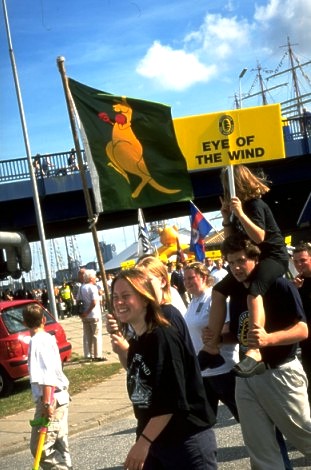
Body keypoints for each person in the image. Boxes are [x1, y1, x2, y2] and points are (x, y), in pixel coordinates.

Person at [214, 234, 311, 469]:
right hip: (246, 377)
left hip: (280, 373)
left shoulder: (280, 284)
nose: (236, 267)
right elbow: (242, 333)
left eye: (240, 260)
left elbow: (302, 329)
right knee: (260, 450)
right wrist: (219, 338)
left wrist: (268, 339)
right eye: (231, 262)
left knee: (306, 438)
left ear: (255, 259)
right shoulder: (237, 293)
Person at [111, 268, 217, 470]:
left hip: (185, 440)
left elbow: (171, 400)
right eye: (115, 297)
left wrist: (143, 443)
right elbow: (143, 383)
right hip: (156, 439)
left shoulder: (162, 336)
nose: (119, 302)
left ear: (145, 299)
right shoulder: (138, 340)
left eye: (126, 296)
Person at [200, 164, 289, 377]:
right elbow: (231, 242)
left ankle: (255, 351)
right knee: (219, 290)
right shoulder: (236, 208)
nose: (225, 189)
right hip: (249, 259)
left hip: (271, 257)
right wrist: (226, 218)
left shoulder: (254, 205)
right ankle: (212, 347)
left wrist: (240, 213)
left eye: (227, 184)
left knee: (254, 291)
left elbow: (259, 237)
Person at [183, 261, 239, 420]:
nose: (187, 282)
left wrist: (216, 336)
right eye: (185, 279)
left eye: (191, 278)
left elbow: (229, 328)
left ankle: (272, 442)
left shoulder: (214, 297)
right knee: (202, 419)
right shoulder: (193, 301)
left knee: (245, 415)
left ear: (204, 277)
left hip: (223, 368)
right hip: (203, 369)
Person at [22, 303, 72, 470]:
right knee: (59, 443)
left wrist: (46, 403)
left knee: (40, 448)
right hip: (60, 397)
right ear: (44, 320)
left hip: (51, 399)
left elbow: (46, 375)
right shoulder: (49, 338)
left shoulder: (37, 342)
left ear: (24, 323)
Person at [293, 242, 311, 404]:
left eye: (303, 260)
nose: (299, 264)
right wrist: (295, 292)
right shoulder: (297, 284)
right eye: (296, 261)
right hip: (307, 345)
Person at [78, 269, 105, 361]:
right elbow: (94, 302)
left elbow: (78, 300)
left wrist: (83, 313)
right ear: (91, 278)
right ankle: (97, 355)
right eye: (94, 277)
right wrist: (88, 311)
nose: (95, 279)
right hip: (94, 314)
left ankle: (88, 354)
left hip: (84, 316)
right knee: (96, 335)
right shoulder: (93, 287)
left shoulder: (81, 288)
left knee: (87, 335)